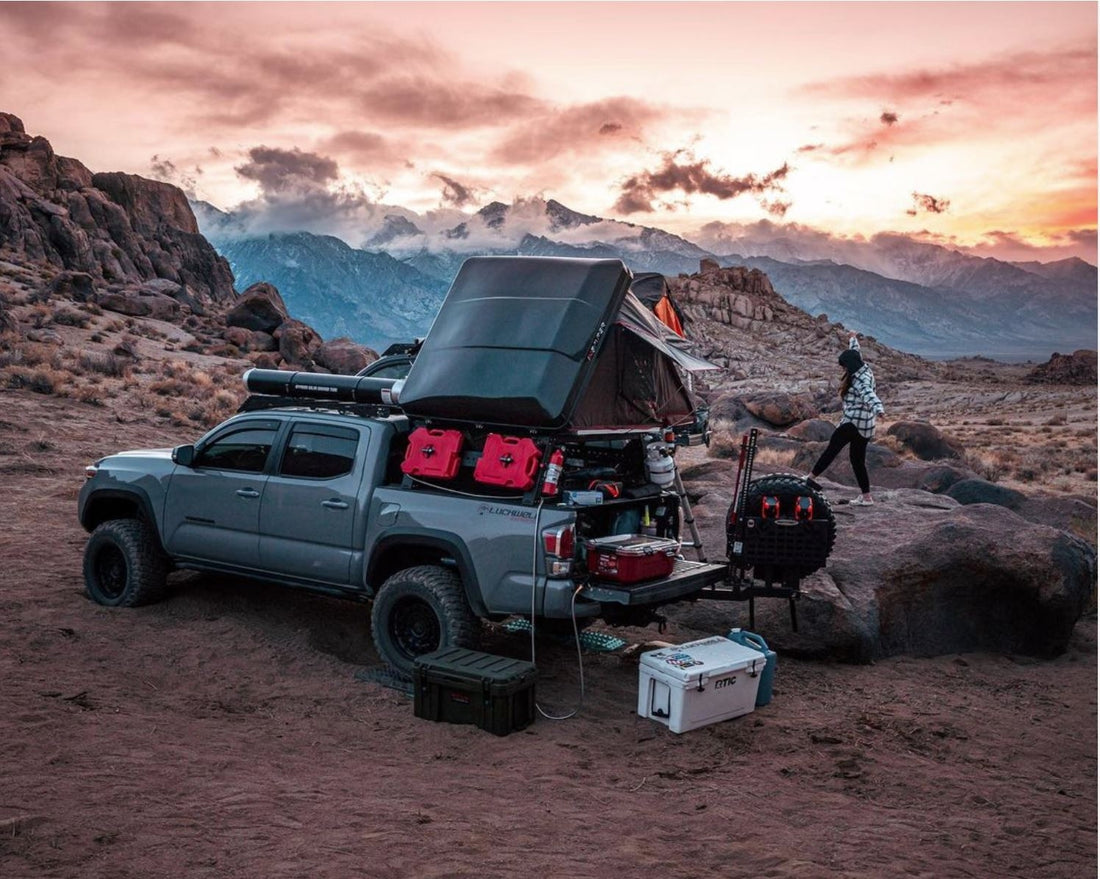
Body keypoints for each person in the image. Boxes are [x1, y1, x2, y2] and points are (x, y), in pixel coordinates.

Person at [805, 335, 885, 505]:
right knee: (857, 460)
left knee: (832, 448)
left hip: (853, 422)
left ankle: (810, 478)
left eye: (844, 367)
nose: (844, 371)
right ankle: (867, 497)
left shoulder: (859, 380)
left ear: (849, 366)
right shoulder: (863, 368)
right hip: (866, 426)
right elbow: (856, 353)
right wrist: (853, 339)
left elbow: (869, 395)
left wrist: (878, 408)